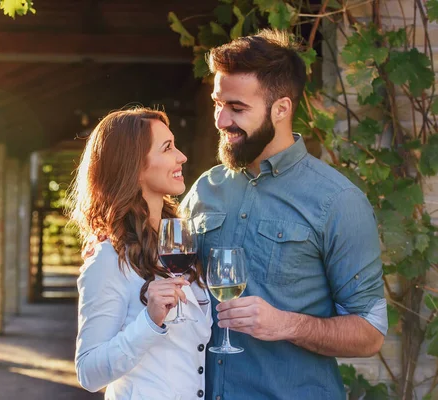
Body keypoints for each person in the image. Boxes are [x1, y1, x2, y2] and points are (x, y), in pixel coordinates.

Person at [180, 29, 387, 399]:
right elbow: (164, 270)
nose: (221, 120)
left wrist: (286, 324)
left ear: (281, 108)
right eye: (217, 103)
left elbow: (369, 333)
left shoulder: (338, 201)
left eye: (237, 108)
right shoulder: (204, 189)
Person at [69, 107, 213, 399]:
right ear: (133, 166)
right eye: (168, 148)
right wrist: (149, 321)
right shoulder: (108, 257)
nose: (181, 156)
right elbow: (89, 373)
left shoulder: (178, 243)